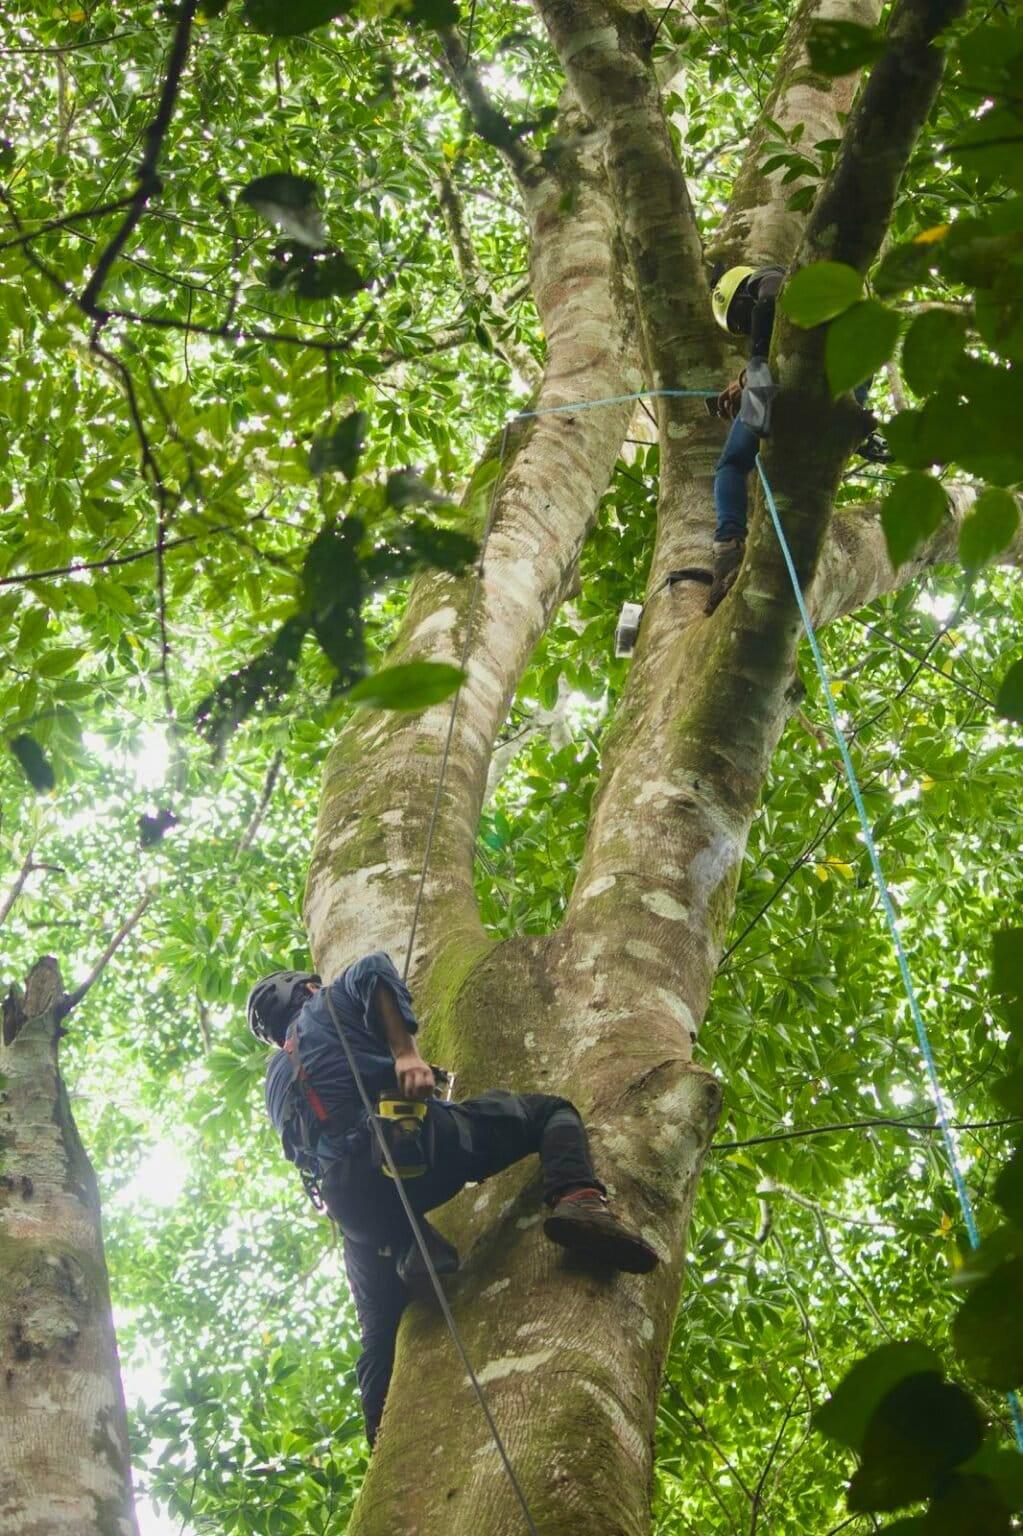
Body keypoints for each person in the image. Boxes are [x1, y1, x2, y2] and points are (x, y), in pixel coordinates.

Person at [250, 953, 659, 1445]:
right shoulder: (330, 1003)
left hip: (353, 1209)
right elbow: (374, 969)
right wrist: (405, 1054)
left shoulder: (275, 1085)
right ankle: (579, 1200)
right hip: (408, 1150)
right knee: (551, 1113)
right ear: (307, 991)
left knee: (378, 1334)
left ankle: (383, 1436)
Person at [706, 263, 891, 615]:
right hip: (847, 383)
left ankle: (728, 546)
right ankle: (851, 427)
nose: (746, 331)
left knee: (731, 464)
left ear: (739, 294)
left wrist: (757, 367)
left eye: (741, 323)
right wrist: (749, 376)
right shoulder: (831, 300)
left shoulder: (770, 280)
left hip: (796, 386)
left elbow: (769, 301)